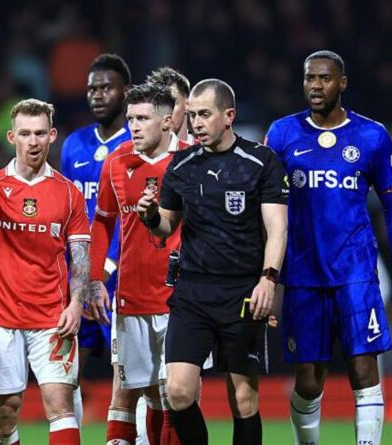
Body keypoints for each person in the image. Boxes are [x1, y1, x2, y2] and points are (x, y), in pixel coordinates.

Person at [264, 50, 392, 445]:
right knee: (308, 382)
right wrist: (267, 278)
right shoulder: (282, 134)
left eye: (325, 78)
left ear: (342, 83)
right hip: (303, 275)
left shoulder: (371, 136)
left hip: (356, 274)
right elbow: (267, 211)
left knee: (364, 372)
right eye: (310, 78)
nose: (316, 85)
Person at [137, 78, 289, 445]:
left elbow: (277, 228)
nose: (196, 123)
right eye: (191, 115)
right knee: (178, 392)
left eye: (204, 115)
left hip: (243, 292)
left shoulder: (261, 162)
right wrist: (151, 217)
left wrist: (268, 280)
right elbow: (166, 227)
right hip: (192, 291)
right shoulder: (181, 165)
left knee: (243, 398)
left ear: (229, 116)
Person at [0, 99, 89, 445]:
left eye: (40, 133)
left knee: (60, 404)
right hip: (3, 319)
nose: (33, 141)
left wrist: (76, 304)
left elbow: (80, 255)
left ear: (52, 136)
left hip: (53, 319)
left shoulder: (69, 194)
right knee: (7, 410)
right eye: (26, 134)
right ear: (12, 136)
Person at [90, 83, 186, 445]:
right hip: (130, 296)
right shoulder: (116, 162)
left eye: (143, 118)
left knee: (174, 393)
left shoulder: (191, 160)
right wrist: (95, 279)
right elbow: (102, 221)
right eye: (130, 119)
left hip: (181, 298)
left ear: (166, 122)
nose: (134, 126)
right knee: (135, 390)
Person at [59, 53, 132, 423]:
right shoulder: (73, 145)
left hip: (119, 278)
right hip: (77, 277)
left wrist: (101, 271)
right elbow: (67, 211)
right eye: (92, 89)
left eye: (106, 87)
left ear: (126, 92)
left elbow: (127, 216)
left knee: (128, 378)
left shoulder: (137, 143)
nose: (98, 95)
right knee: (66, 375)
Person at [146, 67, 193, 144]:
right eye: (157, 105)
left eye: (172, 103)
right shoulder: (136, 152)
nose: (164, 114)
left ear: (187, 104)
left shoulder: (204, 151)